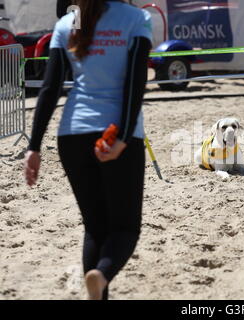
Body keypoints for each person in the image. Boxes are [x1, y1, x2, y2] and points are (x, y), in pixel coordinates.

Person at [24, 0, 152, 300]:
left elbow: (50, 88)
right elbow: (135, 82)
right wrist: (121, 137)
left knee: (95, 228)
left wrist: (34, 146)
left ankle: (97, 290)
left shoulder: (67, 23)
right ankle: (102, 274)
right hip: (114, 134)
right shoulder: (136, 18)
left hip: (72, 134)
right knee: (125, 229)